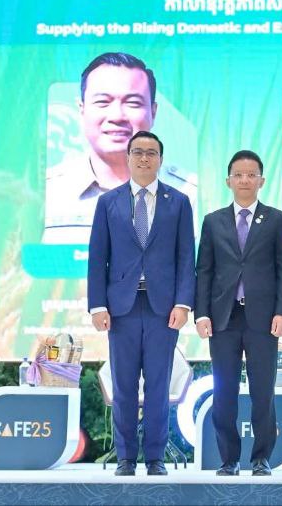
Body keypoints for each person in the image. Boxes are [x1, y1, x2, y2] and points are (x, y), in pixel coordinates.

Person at [87, 130, 195, 477]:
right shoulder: (108, 202)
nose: (144, 158)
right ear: (128, 157)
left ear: (160, 159)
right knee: (124, 385)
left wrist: (184, 303)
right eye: (138, 152)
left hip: (164, 308)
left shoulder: (179, 202)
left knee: (159, 385)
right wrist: (97, 305)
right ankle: (125, 458)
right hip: (122, 308)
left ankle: (155, 457)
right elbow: (97, 257)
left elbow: (185, 258)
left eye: (151, 152)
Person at [194, 150, 282, 477]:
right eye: (239, 174)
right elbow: (204, 271)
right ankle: (228, 459)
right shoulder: (213, 221)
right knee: (224, 391)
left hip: (263, 318)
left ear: (262, 181)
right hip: (223, 318)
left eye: (252, 175)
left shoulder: (276, 219)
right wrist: (201, 313)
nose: (245, 180)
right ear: (228, 181)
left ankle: (261, 458)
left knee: (262, 391)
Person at [45, 52, 196, 243]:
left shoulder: (192, 195)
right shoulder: (46, 193)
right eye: (102, 102)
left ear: (153, 112)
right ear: (81, 110)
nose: (116, 116)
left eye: (133, 103)